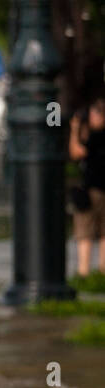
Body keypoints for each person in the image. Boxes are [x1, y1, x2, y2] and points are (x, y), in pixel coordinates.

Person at [69, 100, 105, 277]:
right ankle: (101, 272)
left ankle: (84, 273)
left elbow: (76, 153)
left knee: (85, 233)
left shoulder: (95, 137)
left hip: (92, 191)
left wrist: (75, 130)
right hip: (99, 190)